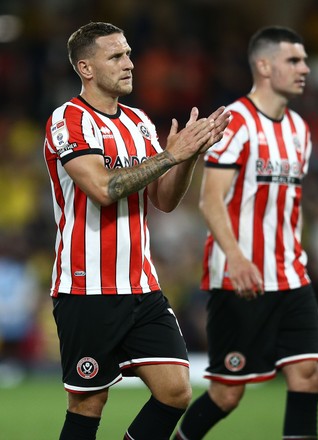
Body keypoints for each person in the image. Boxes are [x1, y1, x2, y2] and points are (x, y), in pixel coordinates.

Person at [43, 21, 230, 440]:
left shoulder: (139, 122)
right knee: (89, 403)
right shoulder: (67, 120)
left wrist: (187, 158)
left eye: (128, 53)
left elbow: (163, 199)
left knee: (176, 392)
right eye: (116, 56)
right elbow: (102, 189)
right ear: (86, 68)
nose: (129, 63)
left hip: (140, 285)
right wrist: (169, 155)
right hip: (86, 287)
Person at [174, 26, 318, 440]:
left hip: (292, 276)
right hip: (239, 277)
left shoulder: (300, 130)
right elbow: (210, 199)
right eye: (294, 60)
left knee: (308, 375)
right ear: (263, 65)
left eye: (305, 60)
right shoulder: (234, 121)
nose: (305, 69)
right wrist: (238, 256)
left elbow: (285, 206)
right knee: (226, 394)